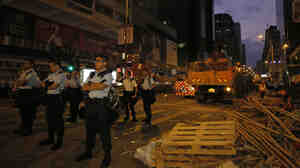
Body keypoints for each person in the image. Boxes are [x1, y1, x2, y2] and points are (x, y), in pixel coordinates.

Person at [76, 56, 113, 168]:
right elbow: (84, 87)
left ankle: (107, 156)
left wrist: (91, 86)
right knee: (89, 130)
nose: (95, 62)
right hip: (90, 104)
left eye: (98, 61)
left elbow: (102, 87)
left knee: (104, 132)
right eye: (95, 60)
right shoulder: (92, 74)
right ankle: (88, 152)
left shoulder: (108, 74)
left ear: (105, 63)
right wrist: (91, 88)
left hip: (101, 105)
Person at [39, 60, 66, 151]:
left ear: (57, 66)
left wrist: (47, 85)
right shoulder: (51, 75)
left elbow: (54, 86)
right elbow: (42, 83)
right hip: (50, 98)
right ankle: (50, 138)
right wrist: (48, 85)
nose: (50, 68)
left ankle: (59, 141)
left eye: (51, 66)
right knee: (49, 119)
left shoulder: (61, 74)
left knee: (58, 120)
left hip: (57, 98)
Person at [12, 60, 41, 136]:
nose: (24, 64)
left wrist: (18, 82)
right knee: (22, 112)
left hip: (28, 94)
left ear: (31, 65)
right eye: (24, 63)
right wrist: (18, 82)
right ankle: (23, 127)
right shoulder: (24, 72)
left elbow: (22, 82)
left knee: (28, 112)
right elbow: (18, 81)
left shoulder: (32, 73)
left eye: (26, 63)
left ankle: (28, 129)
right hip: (23, 93)